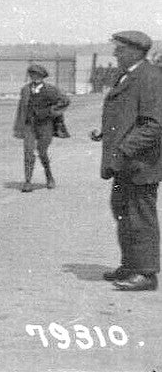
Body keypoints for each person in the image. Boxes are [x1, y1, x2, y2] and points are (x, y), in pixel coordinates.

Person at [90, 30, 162, 292]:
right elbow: (127, 115)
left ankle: (146, 273)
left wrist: (123, 148)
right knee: (122, 210)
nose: (115, 53)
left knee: (140, 215)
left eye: (119, 48)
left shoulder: (151, 77)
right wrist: (105, 133)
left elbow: (154, 125)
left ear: (134, 50)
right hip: (126, 162)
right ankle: (131, 264)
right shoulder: (130, 74)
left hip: (141, 163)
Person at [13, 63, 69, 192]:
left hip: (45, 125)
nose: (34, 77)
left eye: (37, 75)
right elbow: (21, 109)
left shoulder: (51, 90)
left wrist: (52, 111)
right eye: (32, 75)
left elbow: (65, 101)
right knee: (28, 152)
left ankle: (49, 176)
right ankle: (27, 182)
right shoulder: (25, 90)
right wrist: (19, 127)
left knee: (42, 152)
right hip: (29, 125)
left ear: (42, 76)